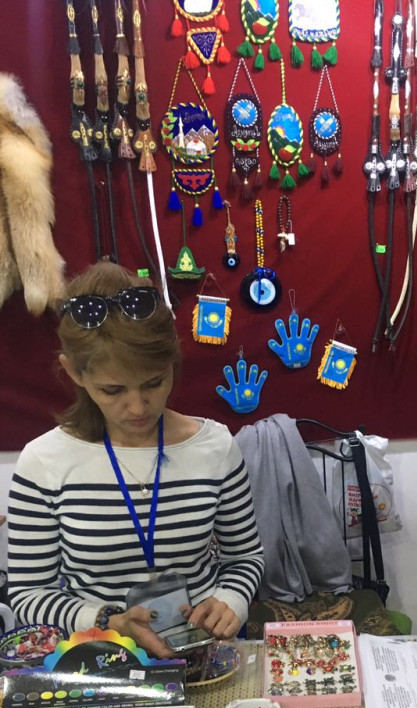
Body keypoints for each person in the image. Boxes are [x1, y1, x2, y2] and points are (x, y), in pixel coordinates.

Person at [7, 262, 264, 659]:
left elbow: (245, 556)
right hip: (103, 661)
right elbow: (28, 593)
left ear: (172, 363)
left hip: (206, 651)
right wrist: (106, 619)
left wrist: (231, 599)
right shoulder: (43, 463)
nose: (138, 407)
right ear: (74, 373)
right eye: (112, 390)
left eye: (153, 383)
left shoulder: (215, 446)